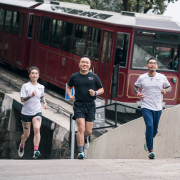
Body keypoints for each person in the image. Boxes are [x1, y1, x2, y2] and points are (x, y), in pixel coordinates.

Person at [133, 57, 172, 159]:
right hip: (146, 105)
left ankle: (148, 139)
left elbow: (169, 87)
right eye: (150, 63)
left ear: (157, 66)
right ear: (147, 66)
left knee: (154, 131)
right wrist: (138, 93)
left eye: (154, 63)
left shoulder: (162, 77)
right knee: (149, 126)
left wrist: (166, 91)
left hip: (158, 107)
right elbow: (135, 86)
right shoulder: (142, 77)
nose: (152, 65)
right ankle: (151, 151)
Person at [67, 55, 104, 159]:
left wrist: (95, 92)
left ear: (90, 65)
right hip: (78, 105)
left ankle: (86, 138)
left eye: (87, 63)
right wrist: (70, 96)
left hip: (90, 105)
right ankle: (80, 151)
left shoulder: (94, 77)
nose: (85, 64)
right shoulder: (74, 76)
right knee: (81, 128)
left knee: (88, 131)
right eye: (83, 62)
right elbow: (68, 88)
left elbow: (102, 89)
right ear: (79, 64)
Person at [18, 66, 48, 159]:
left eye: (36, 73)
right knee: (26, 134)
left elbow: (42, 96)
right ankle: (22, 144)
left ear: (38, 75)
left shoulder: (41, 87)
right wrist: (30, 95)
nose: (34, 75)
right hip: (26, 113)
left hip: (37, 112)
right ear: (29, 75)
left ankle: (35, 150)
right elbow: (22, 100)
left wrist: (45, 103)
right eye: (32, 73)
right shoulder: (25, 86)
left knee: (36, 129)